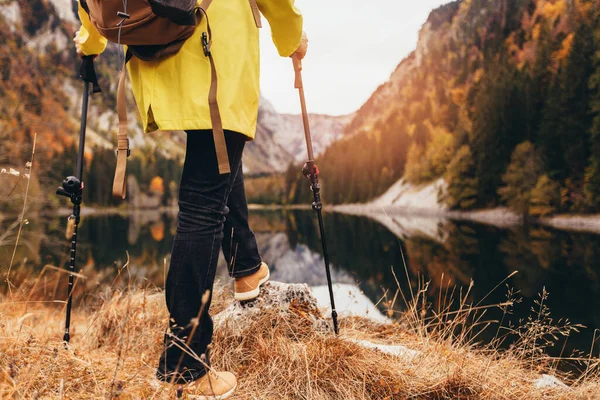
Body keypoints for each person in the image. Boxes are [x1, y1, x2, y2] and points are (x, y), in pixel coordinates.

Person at [74, 0, 308, 397]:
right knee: (202, 202)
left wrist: (90, 42)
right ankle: (183, 364)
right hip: (216, 52)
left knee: (217, 161)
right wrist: (292, 38)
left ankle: (246, 266)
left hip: (161, 55)